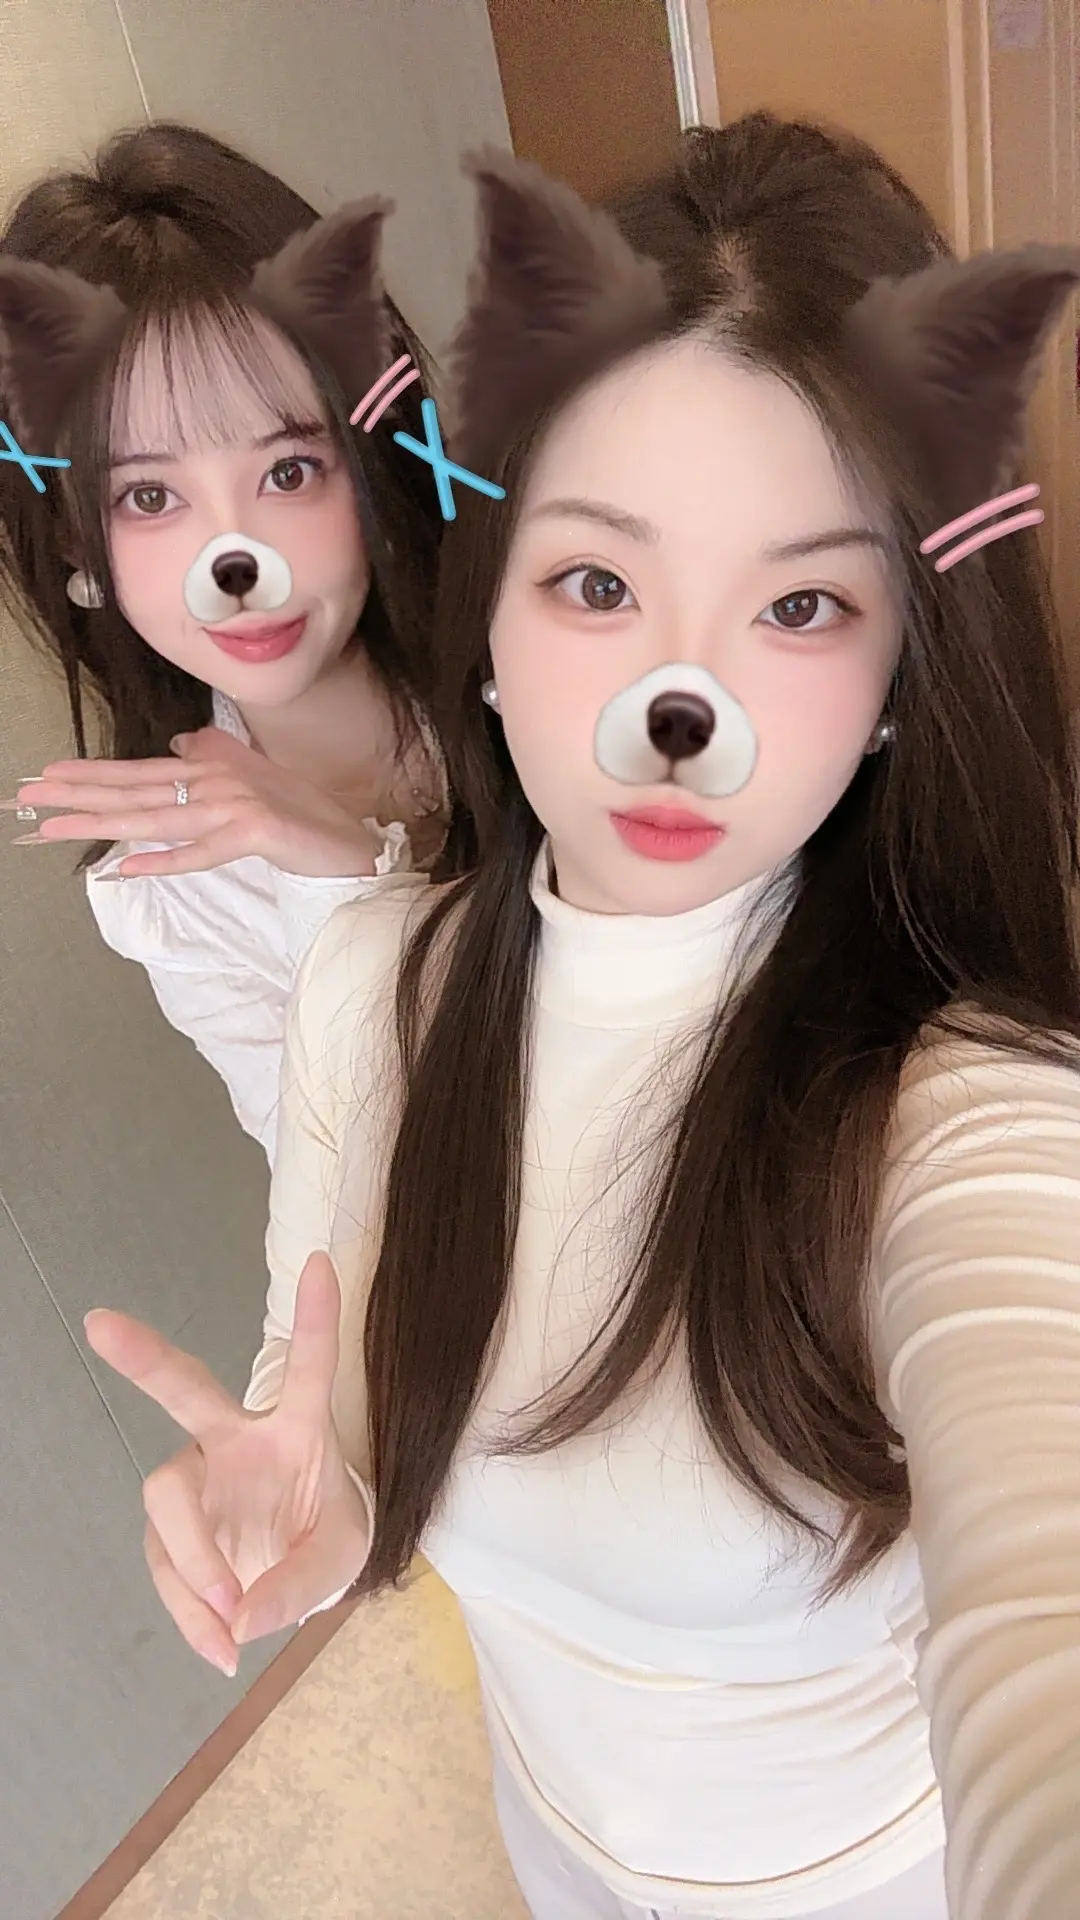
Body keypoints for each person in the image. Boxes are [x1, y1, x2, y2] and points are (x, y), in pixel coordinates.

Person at [86, 115, 1080, 1920]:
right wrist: (312, 1511)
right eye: (599, 584)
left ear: (898, 676)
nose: (675, 702)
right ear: (489, 616)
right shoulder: (372, 985)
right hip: (557, 1840)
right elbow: (324, 1367)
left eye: (799, 603)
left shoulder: (961, 1114)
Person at [0, 124, 463, 1159]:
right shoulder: (174, 889)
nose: (236, 556)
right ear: (76, 540)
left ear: (369, 458)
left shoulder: (548, 655)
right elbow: (354, 1189)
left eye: (289, 472)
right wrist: (346, 888)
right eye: (149, 497)